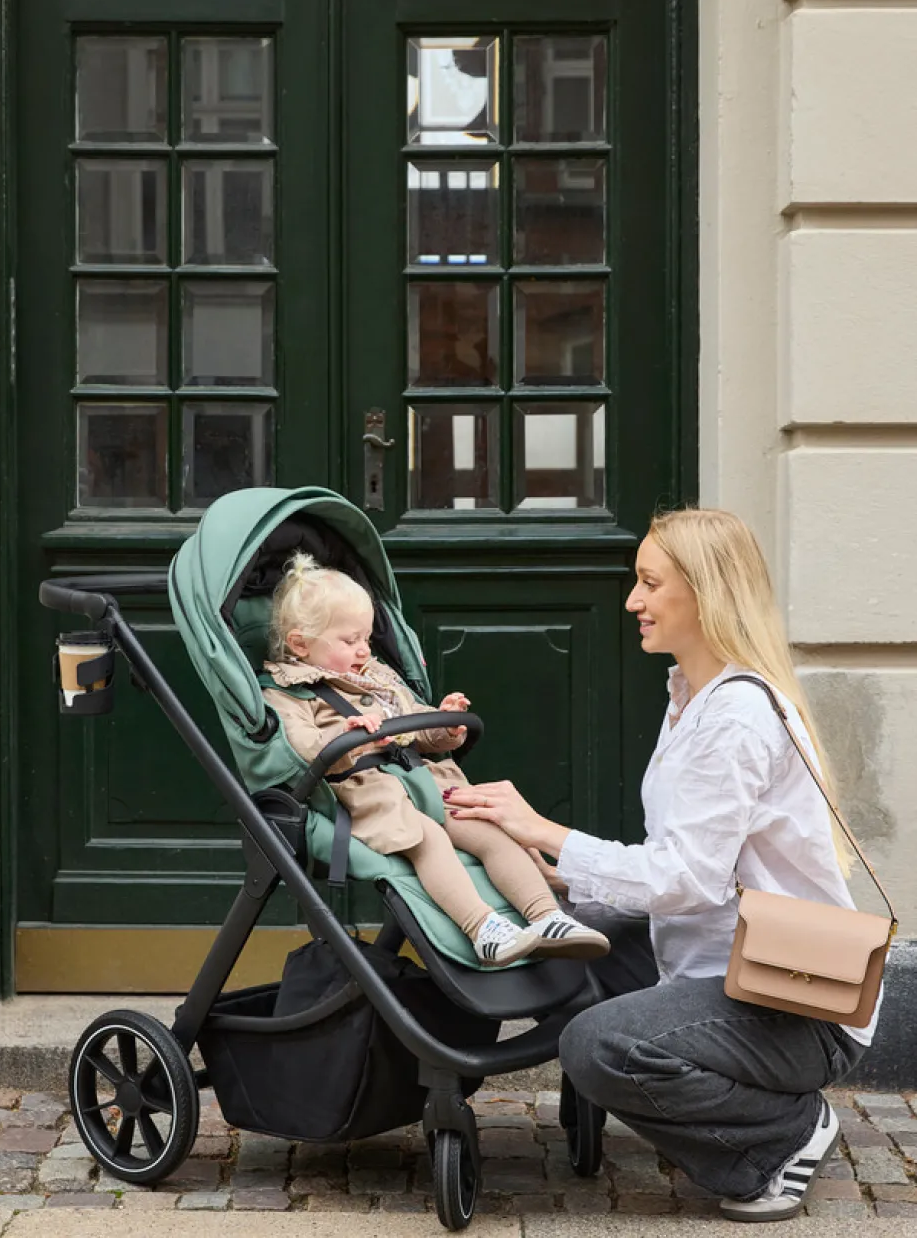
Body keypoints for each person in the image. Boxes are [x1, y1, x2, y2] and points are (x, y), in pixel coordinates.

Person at [445, 507, 875, 1221]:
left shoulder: (735, 719)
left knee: (596, 1045)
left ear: (706, 593)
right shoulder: (688, 697)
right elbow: (688, 870)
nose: (631, 601)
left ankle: (780, 1137)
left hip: (800, 1003)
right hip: (722, 963)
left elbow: (688, 879)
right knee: (566, 943)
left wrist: (545, 831)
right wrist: (561, 878)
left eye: (650, 583)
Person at [262, 552, 609, 969]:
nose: (363, 650)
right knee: (428, 840)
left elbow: (415, 729)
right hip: (368, 795)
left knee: (490, 831)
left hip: (423, 778)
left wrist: (444, 726)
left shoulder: (377, 677)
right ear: (300, 644)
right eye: (349, 641)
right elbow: (300, 750)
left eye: (367, 638)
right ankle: (484, 929)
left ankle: (547, 916)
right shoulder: (287, 693)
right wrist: (346, 736)